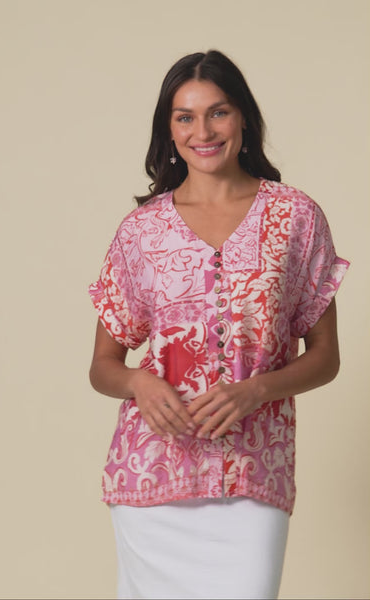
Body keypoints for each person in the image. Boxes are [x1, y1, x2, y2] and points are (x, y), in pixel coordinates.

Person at [88, 50, 349, 599]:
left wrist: (257, 390)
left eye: (218, 112)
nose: (202, 131)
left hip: (255, 469)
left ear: (243, 118)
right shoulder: (140, 231)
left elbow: (326, 357)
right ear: (169, 129)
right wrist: (138, 382)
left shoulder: (295, 217)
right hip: (152, 473)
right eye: (185, 116)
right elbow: (103, 366)